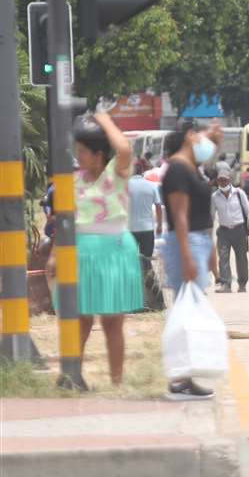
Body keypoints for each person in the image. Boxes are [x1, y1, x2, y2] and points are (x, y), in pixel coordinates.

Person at [56, 111, 144, 386]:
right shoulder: (73, 180)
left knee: (112, 321)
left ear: (98, 154)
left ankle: (116, 381)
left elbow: (124, 148)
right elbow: (64, 221)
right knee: (79, 320)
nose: (78, 156)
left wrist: (104, 120)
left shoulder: (115, 173)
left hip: (113, 252)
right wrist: (54, 254)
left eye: (82, 151)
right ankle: (72, 375)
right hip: (81, 254)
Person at [160, 119, 221, 400]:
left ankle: (186, 374)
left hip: (198, 242)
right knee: (186, 312)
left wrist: (210, 250)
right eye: (200, 136)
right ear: (188, 136)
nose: (204, 142)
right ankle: (181, 377)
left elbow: (202, 213)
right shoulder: (177, 171)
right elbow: (180, 217)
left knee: (192, 309)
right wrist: (187, 256)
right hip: (186, 243)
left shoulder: (192, 169)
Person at [128, 160, 165, 310]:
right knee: (146, 264)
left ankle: (133, 301)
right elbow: (158, 206)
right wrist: (160, 225)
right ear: (142, 170)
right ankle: (156, 300)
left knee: (130, 265)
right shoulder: (150, 185)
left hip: (129, 230)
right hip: (147, 229)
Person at [211, 164, 249, 293]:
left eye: (225, 180)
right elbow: (211, 215)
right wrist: (208, 232)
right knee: (223, 257)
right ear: (217, 181)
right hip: (223, 231)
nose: (223, 183)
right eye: (220, 180)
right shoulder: (214, 197)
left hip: (239, 230)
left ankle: (242, 284)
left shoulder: (239, 193)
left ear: (230, 180)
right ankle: (226, 284)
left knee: (241, 258)